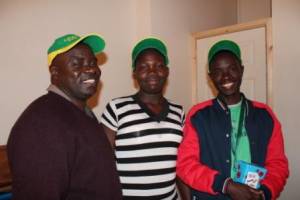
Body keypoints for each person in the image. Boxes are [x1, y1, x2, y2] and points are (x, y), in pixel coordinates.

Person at [7, 34, 122, 200]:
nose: (91, 69)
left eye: (92, 63)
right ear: (55, 73)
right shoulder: (41, 125)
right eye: (76, 64)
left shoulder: (80, 112)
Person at [176, 40, 289, 200]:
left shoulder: (265, 115)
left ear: (241, 70)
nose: (226, 76)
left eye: (232, 68)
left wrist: (264, 193)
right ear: (210, 77)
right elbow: (185, 164)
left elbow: (278, 164)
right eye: (218, 71)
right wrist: (226, 185)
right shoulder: (198, 115)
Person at [101, 37, 189, 199]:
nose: (152, 72)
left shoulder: (179, 112)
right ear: (134, 73)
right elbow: (102, 164)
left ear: (167, 71)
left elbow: (180, 166)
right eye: (144, 67)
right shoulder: (117, 108)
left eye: (159, 66)